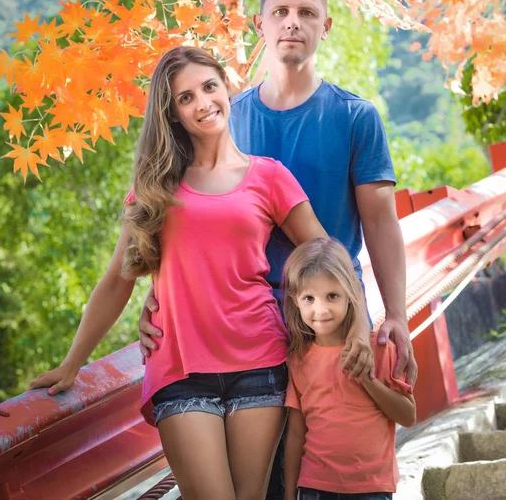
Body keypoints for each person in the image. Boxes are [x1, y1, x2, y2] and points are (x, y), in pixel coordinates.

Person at [29, 46, 373, 500]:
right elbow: (118, 280)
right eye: (185, 98)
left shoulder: (269, 176)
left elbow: (329, 256)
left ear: (226, 87)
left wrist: (361, 331)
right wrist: (73, 363)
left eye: (208, 87)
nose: (202, 102)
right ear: (172, 114)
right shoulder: (155, 188)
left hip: (260, 358)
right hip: (179, 367)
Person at [138, 0, 417, 386]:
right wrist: (160, 294)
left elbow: (380, 222)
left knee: (340, 445)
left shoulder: (356, 116)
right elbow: (194, 215)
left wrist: (396, 315)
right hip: (243, 322)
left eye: (307, 12)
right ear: (260, 24)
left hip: (331, 319)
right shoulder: (225, 118)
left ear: (325, 27)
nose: (292, 22)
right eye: (281, 11)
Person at [282, 238, 416, 500]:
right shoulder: (298, 359)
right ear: (295, 300)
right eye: (309, 298)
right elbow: (296, 434)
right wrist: (289, 495)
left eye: (332, 296)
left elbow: (408, 416)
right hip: (316, 486)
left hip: (373, 486)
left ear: (350, 295)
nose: (320, 310)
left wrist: (368, 380)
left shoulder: (379, 349)